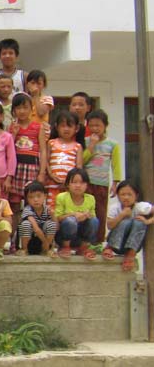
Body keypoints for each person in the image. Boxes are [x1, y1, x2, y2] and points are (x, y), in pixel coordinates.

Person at [83, 109, 121, 243]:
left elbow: (116, 165)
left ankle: (98, 242)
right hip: (86, 184)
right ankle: (85, 243)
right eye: (91, 125)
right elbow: (82, 161)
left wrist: (115, 183)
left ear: (105, 125)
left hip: (102, 184)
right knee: (86, 212)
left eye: (98, 125)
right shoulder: (85, 141)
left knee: (100, 213)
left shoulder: (112, 144)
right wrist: (92, 146)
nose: (94, 128)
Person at [7, 93, 47, 220]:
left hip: (32, 168)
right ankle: (14, 232)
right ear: (13, 110)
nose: (22, 111)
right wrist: (14, 134)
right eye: (18, 108)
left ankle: (30, 230)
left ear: (31, 109)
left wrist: (42, 172)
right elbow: (7, 148)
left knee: (32, 203)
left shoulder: (38, 127)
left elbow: (43, 150)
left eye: (25, 107)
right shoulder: (12, 127)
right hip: (16, 169)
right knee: (14, 204)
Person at [105, 180, 152, 272]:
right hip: (115, 243)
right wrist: (122, 215)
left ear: (136, 196)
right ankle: (109, 247)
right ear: (118, 195)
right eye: (123, 194)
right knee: (126, 222)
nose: (126, 197)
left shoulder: (140, 207)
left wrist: (147, 221)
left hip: (131, 246)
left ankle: (130, 255)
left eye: (130, 194)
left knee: (139, 222)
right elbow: (109, 226)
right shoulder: (115, 207)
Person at [54, 167, 99, 260]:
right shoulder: (61, 197)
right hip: (64, 235)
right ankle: (65, 247)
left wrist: (86, 216)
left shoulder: (91, 199)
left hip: (80, 236)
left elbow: (93, 217)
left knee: (94, 221)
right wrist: (74, 215)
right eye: (74, 182)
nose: (78, 185)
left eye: (82, 182)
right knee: (70, 221)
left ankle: (83, 247)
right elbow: (57, 218)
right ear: (68, 184)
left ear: (87, 185)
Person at [46, 111, 83, 209]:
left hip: (69, 187)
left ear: (76, 128)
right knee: (51, 209)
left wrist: (69, 182)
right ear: (56, 127)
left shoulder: (78, 146)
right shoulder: (51, 143)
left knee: (67, 209)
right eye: (63, 126)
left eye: (69, 126)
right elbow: (46, 161)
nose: (66, 129)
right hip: (52, 184)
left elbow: (79, 168)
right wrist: (51, 174)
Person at [18, 181, 57, 256]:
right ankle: (24, 249)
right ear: (27, 199)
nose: (35, 200)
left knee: (51, 224)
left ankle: (45, 250)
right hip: (31, 241)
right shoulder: (27, 210)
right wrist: (45, 242)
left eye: (39, 196)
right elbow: (36, 228)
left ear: (45, 196)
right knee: (26, 224)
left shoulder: (47, 209)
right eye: (31, 197)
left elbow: (56, 227)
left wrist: (53, 216)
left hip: (42, 242)